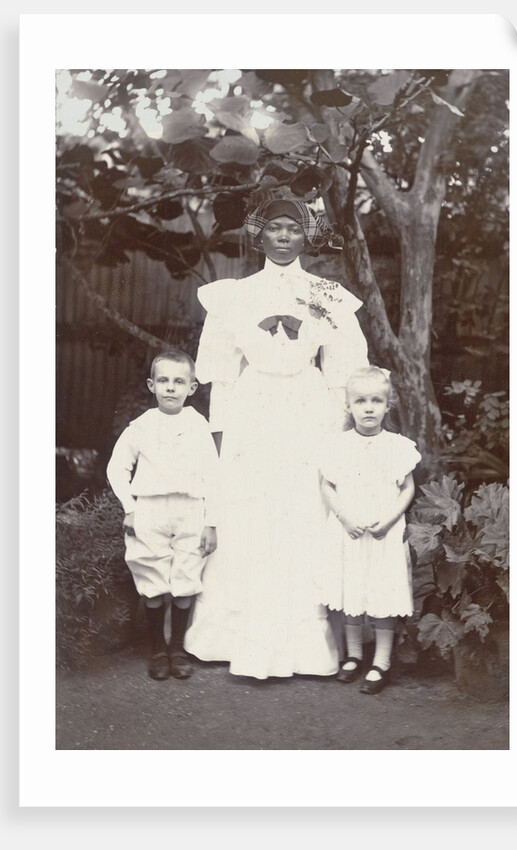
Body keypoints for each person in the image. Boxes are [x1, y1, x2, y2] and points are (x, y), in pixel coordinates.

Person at [184, 197, 369, 679]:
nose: (284, 237)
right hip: (254, 408)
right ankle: (233, 638)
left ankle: (305, 647)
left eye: (293, 229)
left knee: (302, 510)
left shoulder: (326, 294)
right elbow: (222, 374)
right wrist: (221, 434)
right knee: (249, 513)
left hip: (308, 409)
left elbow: (342, 370)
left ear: (307, 237)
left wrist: (338, 430)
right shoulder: (235, 295)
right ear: (259, 235)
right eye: (274, 228)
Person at [107, 348, 218, 681]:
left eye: (179, 381)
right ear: (151, 385)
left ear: (192, 387)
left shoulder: (198, 425)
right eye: (164, 380)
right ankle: (158, 648)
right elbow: (117, 468)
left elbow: (213, 475)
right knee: (151, 576)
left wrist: (211, 522)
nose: (171, 387)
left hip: (190, 509)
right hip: (150, 509)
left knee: (186, 576)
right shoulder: (141, 426)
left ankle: (178, 649)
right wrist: (130, 508)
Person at [319, 366, 421, 694]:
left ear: (387, 406)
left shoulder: (397, 446)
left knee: (382, 592)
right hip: (350, 531)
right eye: (360, 401)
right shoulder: (338, 445)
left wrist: (390, 520)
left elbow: (407, 487)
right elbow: (327, 485)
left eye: (376, 401)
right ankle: (354, 656)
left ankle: (382, 661)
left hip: (383, 533)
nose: (368, 408)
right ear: (348, 406)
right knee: (353, 589)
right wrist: (344, 517)